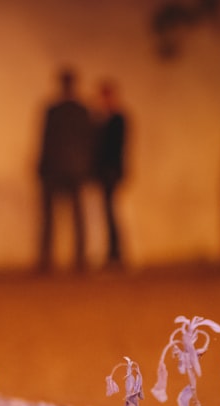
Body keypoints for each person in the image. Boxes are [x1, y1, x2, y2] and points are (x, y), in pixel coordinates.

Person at [37, 67, 92, 272]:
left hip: (54, 168)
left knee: (50, 217)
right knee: (77, 217)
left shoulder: (53, 110)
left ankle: (47, 259)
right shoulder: (82, 111)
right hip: (74, 169)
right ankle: (79, 259)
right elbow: (89, 142)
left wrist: (41, 168)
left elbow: (46, 141)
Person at [91, 79, 127, 266]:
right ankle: (112, 252)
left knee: (113, 213)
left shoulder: (117, 119)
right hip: (105, 173)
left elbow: (116, 149)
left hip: (111, 172)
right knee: (107, 213)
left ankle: (116, 253)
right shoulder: (103, 118)